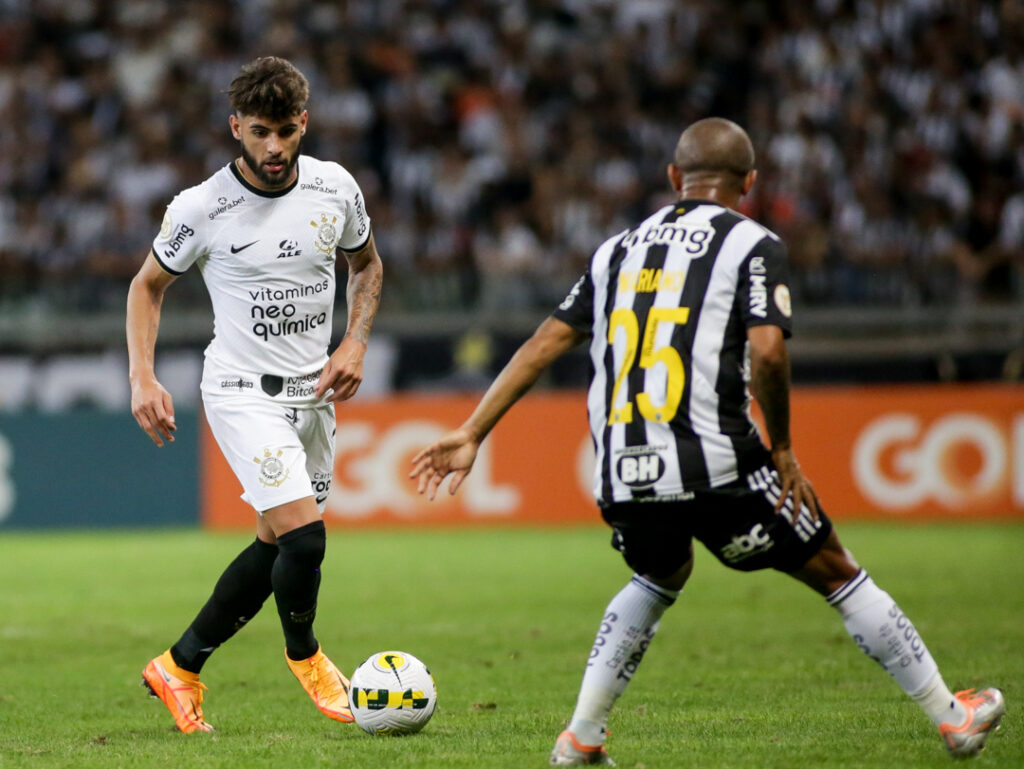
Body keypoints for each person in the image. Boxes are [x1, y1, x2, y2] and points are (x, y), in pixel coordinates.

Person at [409, 118, 1004, 765]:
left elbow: (543, 343)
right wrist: (781, 449)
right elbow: (769, 352)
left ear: (674, 179)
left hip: (623, 470)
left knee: (660, 571)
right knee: (837, 568)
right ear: (748, 183)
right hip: (717, 460)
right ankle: (953, 717)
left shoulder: (615, 250)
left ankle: (581, 735)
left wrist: (472, 430)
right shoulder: (752, 242)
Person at [127, 56, 383, 733]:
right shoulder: (202, 206)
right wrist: (142, 376)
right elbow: (146, 285)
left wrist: (354, 339)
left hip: (313, 394)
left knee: (274, 546)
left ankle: (178, 666)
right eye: (261, 132)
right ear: (235, 126)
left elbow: (367, 263)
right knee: (305, 541)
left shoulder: (334, 187)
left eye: (287, 132)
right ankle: (308, 657)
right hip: (242, 392)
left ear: (305, 124)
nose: (275, 148)